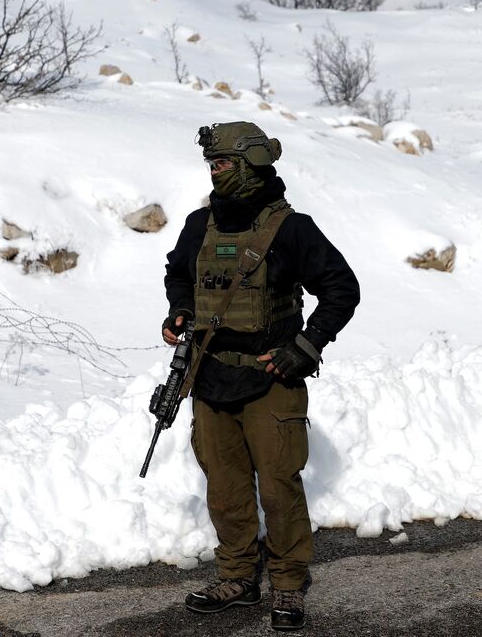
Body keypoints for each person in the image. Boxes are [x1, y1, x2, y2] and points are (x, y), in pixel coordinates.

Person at [161, 121, 360, 631]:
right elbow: (179, 272)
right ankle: (238, 576)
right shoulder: (198, 225)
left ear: (251, 166)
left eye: (223, 162)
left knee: (277, 484)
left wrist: (306, 345)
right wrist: (180, 310)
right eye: (212, 164)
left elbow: (341, 287)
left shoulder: (292, 228)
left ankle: (289, 582)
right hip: (210, 378)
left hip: (272, 379)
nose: (214, 170)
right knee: (224, 486)